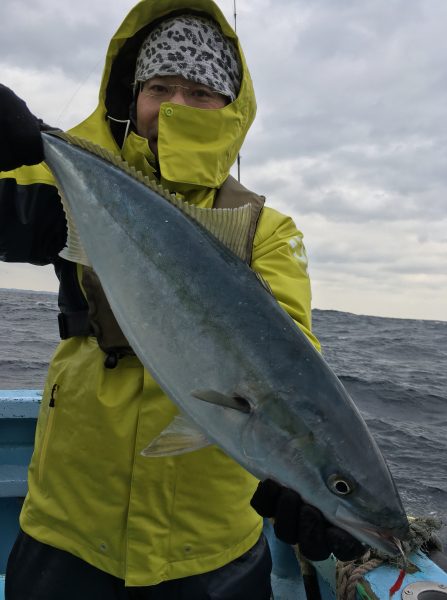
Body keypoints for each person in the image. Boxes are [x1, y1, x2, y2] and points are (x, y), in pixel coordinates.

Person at [0, 1, 364, 598]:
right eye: (160, 86)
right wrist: (24, 143)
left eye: (199, 90)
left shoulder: (265, 230)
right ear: (131, 95)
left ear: (230, 106)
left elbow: (289, 362)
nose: (175, 104)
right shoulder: (70, 183)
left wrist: (309, 488)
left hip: (206, 542)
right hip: (69, 515)